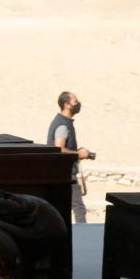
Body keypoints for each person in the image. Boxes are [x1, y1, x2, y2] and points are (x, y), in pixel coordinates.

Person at [49, 90, 93, 223]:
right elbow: (59, 148)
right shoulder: (63, 125)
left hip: (59, 173)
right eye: (75, 101)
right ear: (67, 105)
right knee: (79, 208)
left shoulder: (63, 122)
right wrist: (78, 154)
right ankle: (83, 234)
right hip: (65, 174)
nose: (78, 104)